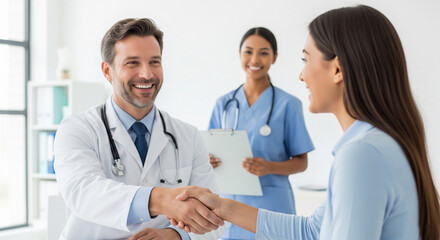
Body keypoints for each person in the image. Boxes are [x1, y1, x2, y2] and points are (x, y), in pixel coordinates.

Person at [172, 5, 440, 240]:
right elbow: (313, 231)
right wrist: (222, 206)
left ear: (337, 70)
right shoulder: (376, 143)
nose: (301, 75)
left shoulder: (362, 154)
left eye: (305, 59)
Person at [53, 18, 224, 240]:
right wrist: (160, 199)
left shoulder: (187, 136)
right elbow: (84, 192)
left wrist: (175, 236)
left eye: (154, 62)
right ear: (107, 71)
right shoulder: (77, 129)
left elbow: (215, 217)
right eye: (132, 63)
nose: (146, 74)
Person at [208, 27, 314, 239]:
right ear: (240, 54)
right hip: (230, 203)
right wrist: (208, 161)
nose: (255, 59)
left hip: (273, 206)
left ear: (274, 57)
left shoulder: (289, 105)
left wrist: (269, 167)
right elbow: (208, 151)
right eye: (248, 51)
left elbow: (302, 162)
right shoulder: (224, 104)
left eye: (264, 52)